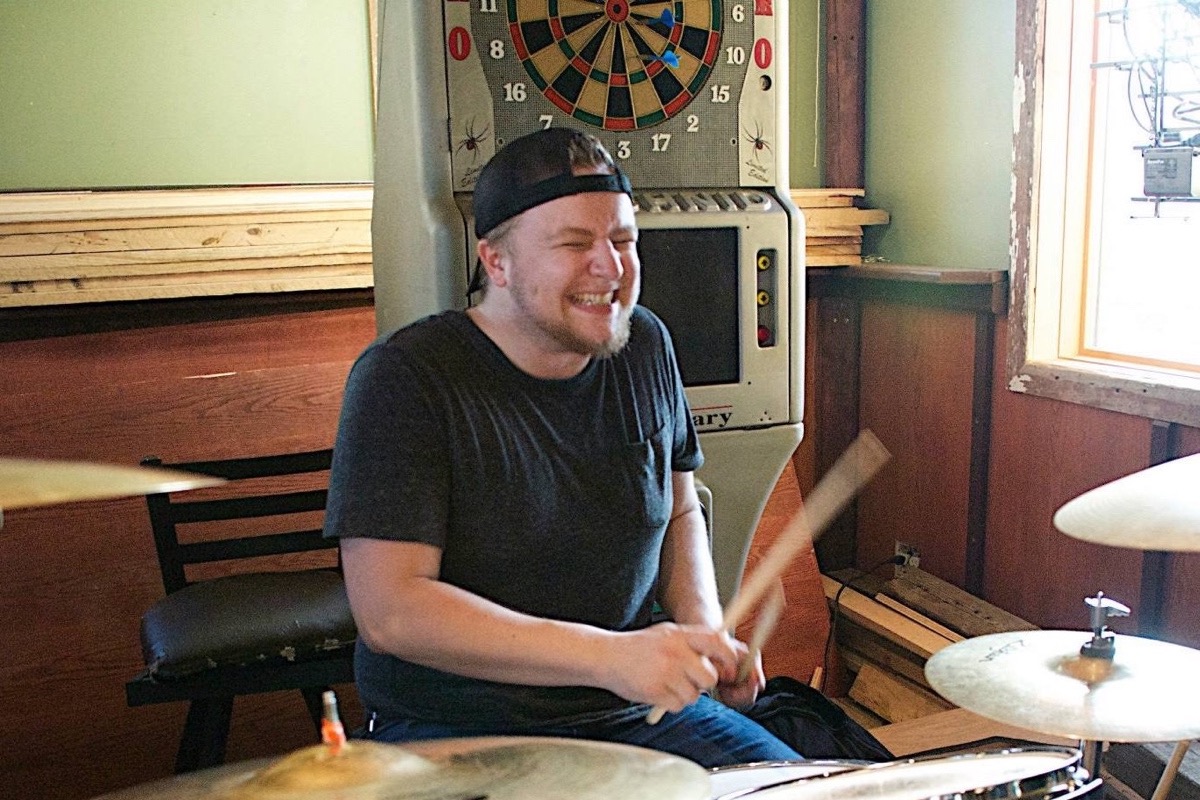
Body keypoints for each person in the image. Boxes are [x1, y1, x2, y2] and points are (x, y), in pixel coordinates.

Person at [323, 127, 801, 767]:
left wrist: (702, 631)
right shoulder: (406, 378)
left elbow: (680, 510)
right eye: (575, 243)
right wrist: (610, 657)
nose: (611, 267)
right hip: (456, 723)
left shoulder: (645, 344)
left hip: (634, 711)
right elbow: (391, 612)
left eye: (623, 240)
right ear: (497, 262)